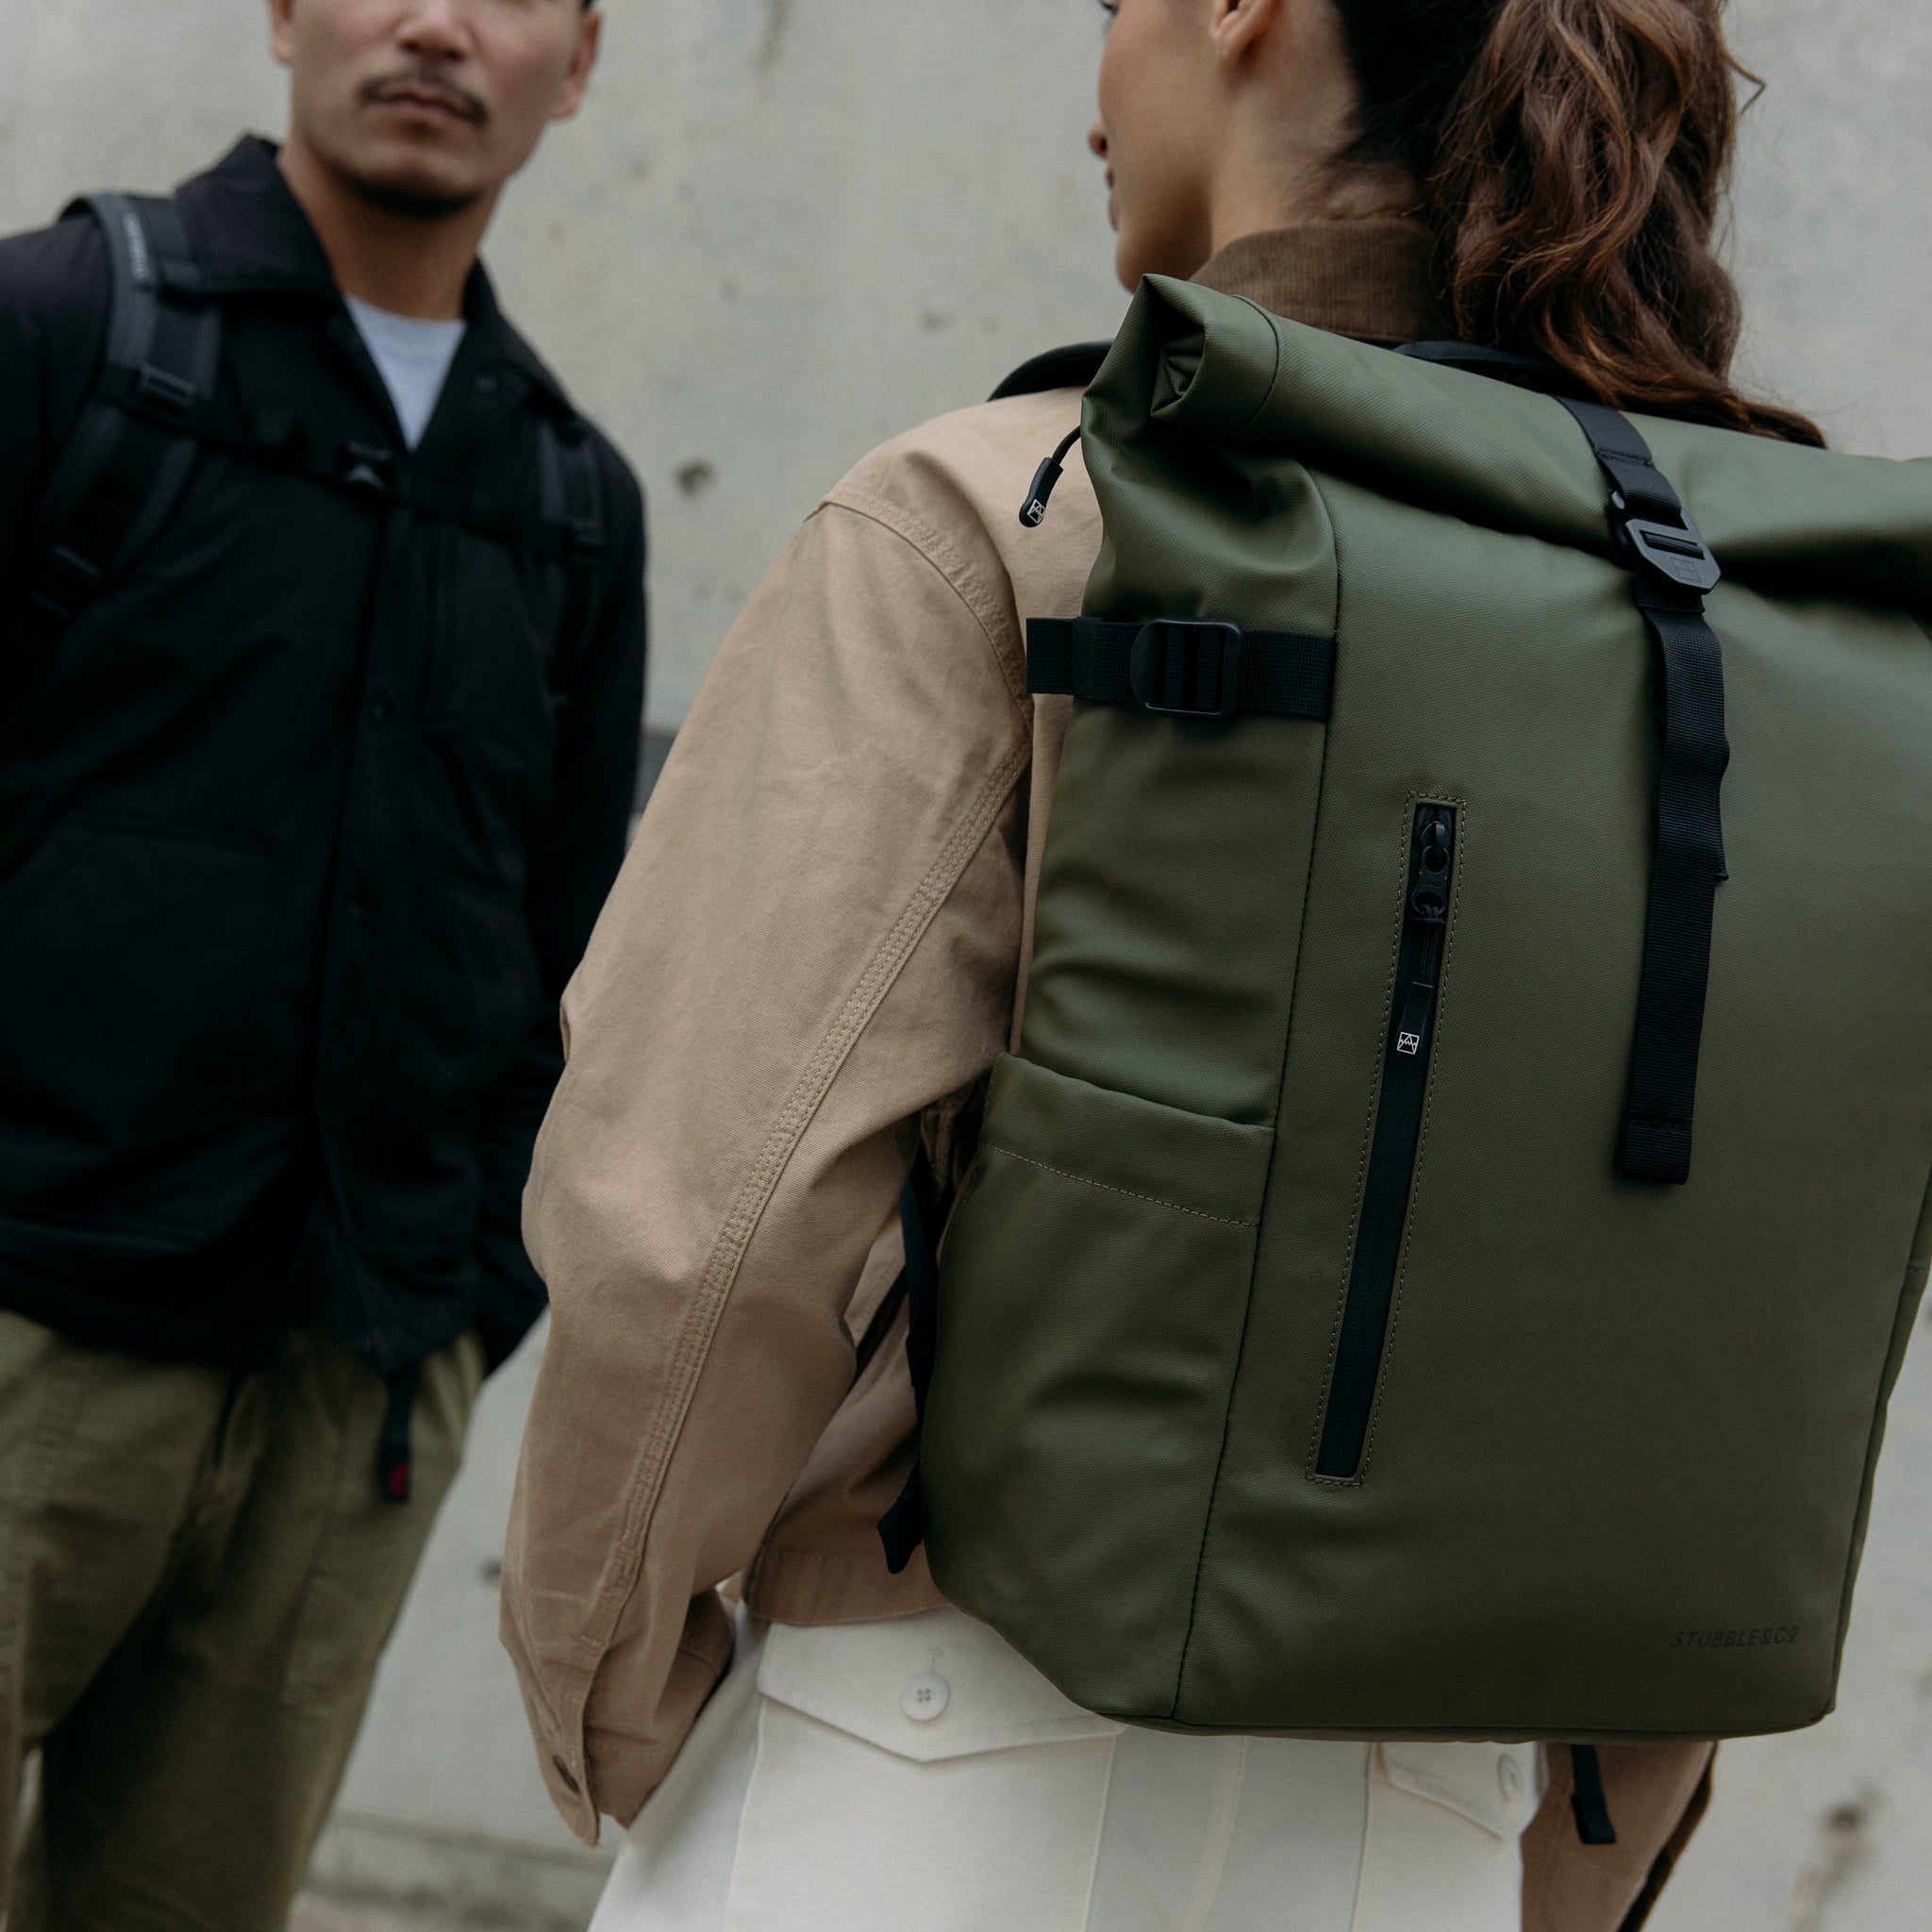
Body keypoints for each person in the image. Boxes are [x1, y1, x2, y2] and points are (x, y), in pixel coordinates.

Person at [505, 1, 1810, 1926]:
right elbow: (1751, 1330)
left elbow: (697, 1230)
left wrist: (616, 1704)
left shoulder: (999, 520)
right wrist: (1566, 1847)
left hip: (913, 1763)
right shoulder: (1758, 626)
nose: (1097, 75)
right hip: (1434, 1812)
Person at [0, 1, 643, 1924]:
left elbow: (560, 958)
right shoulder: (64, 332)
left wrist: (456, 1311)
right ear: (284, 11)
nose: (440, 25)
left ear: (580, 58)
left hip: (345, 1394)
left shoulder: (567, 494)